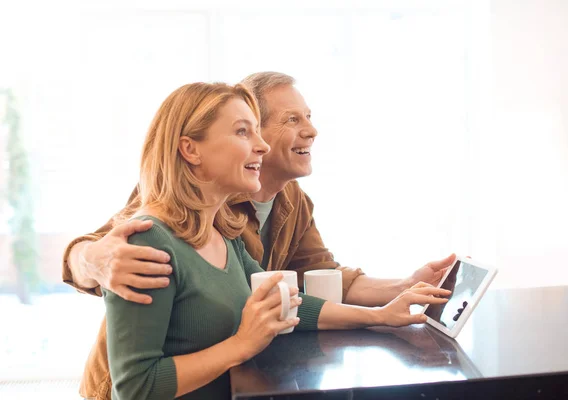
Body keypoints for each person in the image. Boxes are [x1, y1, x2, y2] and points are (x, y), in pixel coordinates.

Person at [62, 73, 456, 399]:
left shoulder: (239, 222)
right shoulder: (159, 225)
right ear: (190, 150)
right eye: (289, 120)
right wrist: (91, 259)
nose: (262, 146)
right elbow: (136, 381)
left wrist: (388, 308)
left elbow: (300, 289)